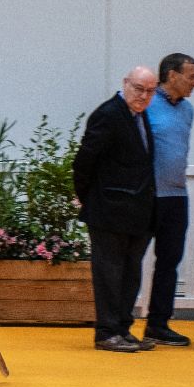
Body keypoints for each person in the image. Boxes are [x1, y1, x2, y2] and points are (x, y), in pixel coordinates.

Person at [72, 66, 158, 353]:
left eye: (149, 91)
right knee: (109, 274)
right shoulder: (108, 114)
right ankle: (106, 331)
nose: (143, 96)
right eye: (138, 89)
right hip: (108, 210)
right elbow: (84, 162)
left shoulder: (140, 116)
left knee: (130, 273)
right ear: (125, 84)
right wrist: (90, 198)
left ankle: (122, 327)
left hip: (136, 213)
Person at [142, 53, 194, 347]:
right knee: (132, 259)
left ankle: (158, 324)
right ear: (172, 76)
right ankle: (118, 324)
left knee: (169, 261)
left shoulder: (188, 110)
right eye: (191, 76)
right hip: (148, 196)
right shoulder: (146, 103)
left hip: (177, 196)